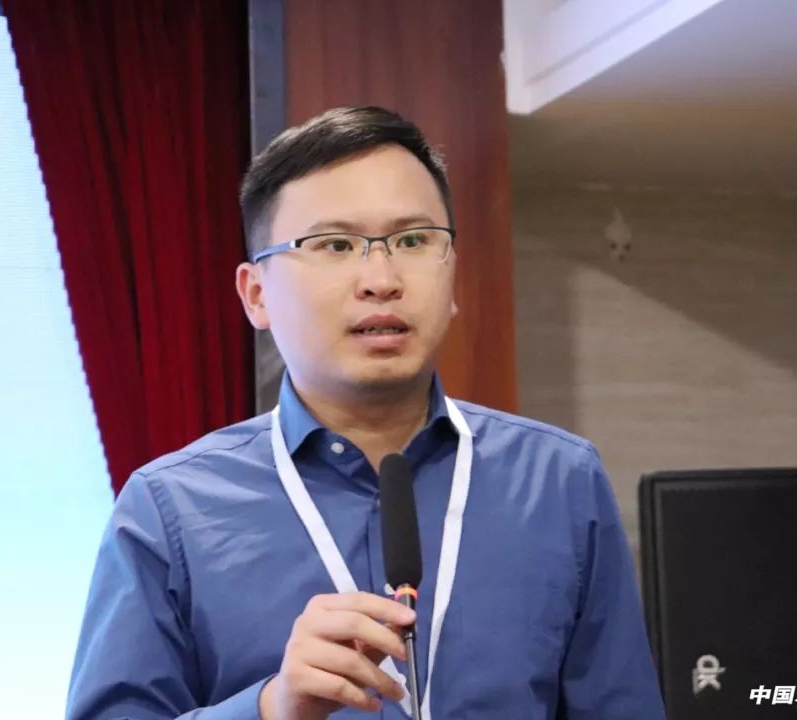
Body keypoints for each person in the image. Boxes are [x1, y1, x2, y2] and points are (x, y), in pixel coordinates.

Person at [65, 106, 667, 720]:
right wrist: (271, 708)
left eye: (413, 241)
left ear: (453, 276)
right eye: (335, 244)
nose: (381, 279)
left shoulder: (559, 481)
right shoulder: (169, 509)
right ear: (256, 295)